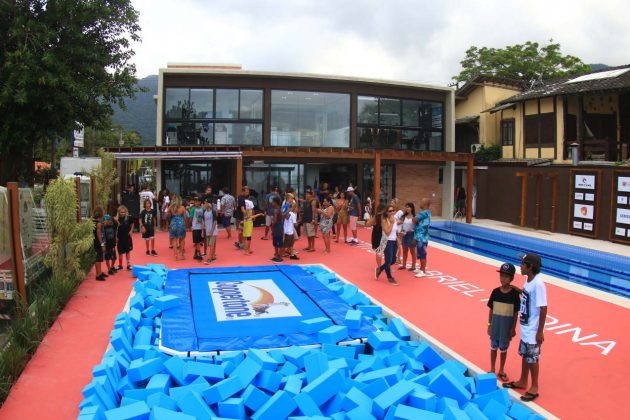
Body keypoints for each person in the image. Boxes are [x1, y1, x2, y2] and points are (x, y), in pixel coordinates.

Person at [503, 253, 547, 403]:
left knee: (533, 358)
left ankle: (534, 386)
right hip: (525, 327)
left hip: (533, 329)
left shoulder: (539, 284)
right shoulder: (528, 281)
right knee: (525, 355)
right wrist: (519, 291)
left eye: (522, 264)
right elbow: (530, 298)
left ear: (530, 267)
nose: (520, 266)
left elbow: (543, 308)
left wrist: (540, 331)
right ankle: (523, 380)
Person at [487, 262, 520, 382]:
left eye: (506, 276)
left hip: (506, 328)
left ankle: (501, 369)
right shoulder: (495, 292)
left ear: (511, 278)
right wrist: (489, 325)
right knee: (493, 347)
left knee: (503, 349)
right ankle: (492, 368)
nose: (502, 278)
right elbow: (491, 310)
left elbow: (516, 313)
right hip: (495, 326)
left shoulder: (515, 294)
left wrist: (513, 328)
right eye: (501, 275)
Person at [374, 205, 399, 285]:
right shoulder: (384, 220)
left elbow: (395, 231)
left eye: (393, 210)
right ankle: (390, 278)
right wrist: (391, 223)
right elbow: (387, 232)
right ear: (386, 212)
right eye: (390, 211)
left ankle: (380, 269)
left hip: (394, 242)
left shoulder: (395, 219)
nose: (391, 212)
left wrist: (399, 236)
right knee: (388, 261)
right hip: (387, 242)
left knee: (393, 260)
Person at [413, 198, 431, 277]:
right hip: (420, 236)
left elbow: (414, 220)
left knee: (422, 253)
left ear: (425, 204)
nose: (419, 203)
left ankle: (423, 270)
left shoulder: (424, 213)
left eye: (421, 202)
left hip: (421, 237)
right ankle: (421, 268)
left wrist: (415, 218)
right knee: (420, 253)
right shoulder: (426, 213)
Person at [366, 204, 386, 272]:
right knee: (384, 251)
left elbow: (368, 224)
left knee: (379, 252)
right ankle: (383, 267)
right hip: (383, 234)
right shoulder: (384, 216)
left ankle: (380, 267)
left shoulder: (377, 216)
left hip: (377, 234)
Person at [115, 205, 134, 270]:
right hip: (120, 238)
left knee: (127, 251)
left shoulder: (129, 218)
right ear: (118, 212)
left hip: (127, 237)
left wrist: (131, 231)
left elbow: (132, 224)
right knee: (120, 252)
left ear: (126, 212)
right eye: (121, 212)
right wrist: (116, 237)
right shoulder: (116, 219)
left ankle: (128, 264)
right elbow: (115, 228)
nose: (122, 213)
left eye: (124, 212)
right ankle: (120, 265)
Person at [399, 202, 417, 271]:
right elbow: (401, 225)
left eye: (408, 207)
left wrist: (415, 237)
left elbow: (416, 228)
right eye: (406, 207)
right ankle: (404, 265)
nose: (407, 208)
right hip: (404, 234)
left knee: (412, 251)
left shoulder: (414, 217)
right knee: (404, 250)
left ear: (412, 208)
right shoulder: (404, 217)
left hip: (411, 234)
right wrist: (401, 232)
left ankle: (413, 266)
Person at [169, 195, 187, 260]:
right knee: (182, 239)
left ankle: (175, 255)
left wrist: (170, 206)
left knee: (174, 240)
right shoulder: (182, 208)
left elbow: (167, 215)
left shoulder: (171, 208)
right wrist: (186, 225)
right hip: (181, 224)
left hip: (173, 224)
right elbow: (185, 217)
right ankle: (181, 254)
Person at [92, 207, 107, 281]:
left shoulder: (93, 221)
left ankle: (99, 272)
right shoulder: (98, 224)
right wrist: (102, 244)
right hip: (98, 243)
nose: (104, 213)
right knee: (98, 259)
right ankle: (98, 275)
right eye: (103, 212)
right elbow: (99, 234)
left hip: (95, 242)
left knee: (98, 259)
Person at [202, 198, 218, 264]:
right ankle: (213, 256)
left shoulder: (213, 212)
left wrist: (212, 231)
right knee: (211, 244)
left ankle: (209, 259)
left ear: (208, 204)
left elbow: (215, 222)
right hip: (207, 231)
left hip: (213, 231)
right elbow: (203, 221)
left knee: (211, 245)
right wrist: (203, 231)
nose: (204, 204)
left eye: (205, 203)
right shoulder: (204, 211)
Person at [270, 196, 284, 263]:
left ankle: (279, 257)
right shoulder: (280, 209)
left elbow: (274, 221)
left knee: (277, 242)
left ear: (275, 203)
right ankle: (278, 256)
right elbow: (281, 219)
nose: (272, 203)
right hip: (280, 227)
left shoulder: (276, 210)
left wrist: (272, 227)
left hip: (277, 228)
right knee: (278, 242)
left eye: (272, 202)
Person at [191, 197, 205, 261]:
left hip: (200, 227)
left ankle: (195, 254)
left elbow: (203, 219)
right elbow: (191, 218)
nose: (196, 203)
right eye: (195, 201)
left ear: (200, 202)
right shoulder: (193, 209)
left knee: (198, 241)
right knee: (197, 242)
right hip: (195, 227)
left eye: (197, 201)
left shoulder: (203, 209)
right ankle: (199, 253)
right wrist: (190, 226)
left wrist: (203, 228)